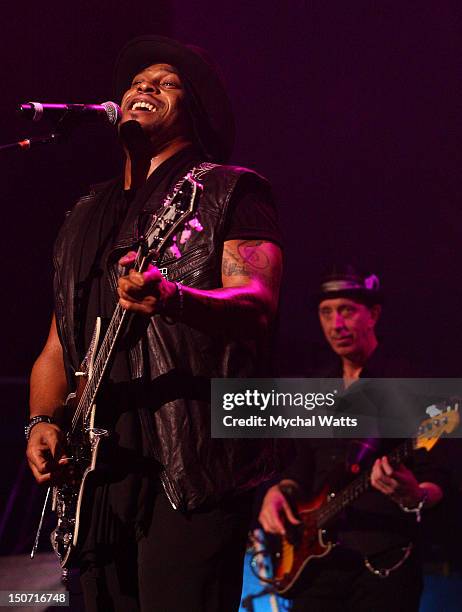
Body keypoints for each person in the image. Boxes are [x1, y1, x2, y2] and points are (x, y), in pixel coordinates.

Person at [25, 35, 283, 612]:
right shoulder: (83, 214)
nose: (144, 87)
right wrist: (41, 421)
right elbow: (56, 345)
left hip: (186, 462)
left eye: (166, 83)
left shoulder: (226, 190)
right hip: (93, 475)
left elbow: (258, 302)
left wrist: (174, 298)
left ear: (193, 110)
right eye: (138, 81)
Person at [259, 265, 446, 612]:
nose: (336, 324)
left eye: (346, 310)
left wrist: (416, 494)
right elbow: (301, 465)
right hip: (315, 564)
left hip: (383, 563)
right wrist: (279, 491)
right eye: (326, 313)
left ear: (373, 314)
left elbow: (440, 477)